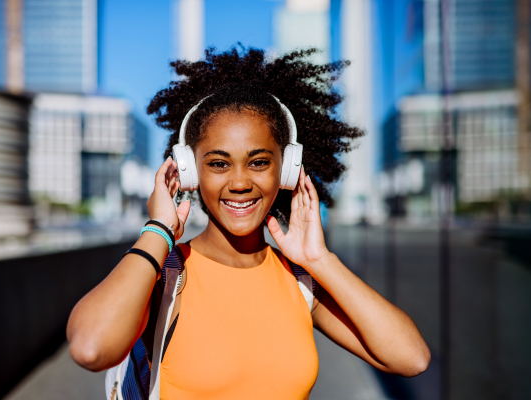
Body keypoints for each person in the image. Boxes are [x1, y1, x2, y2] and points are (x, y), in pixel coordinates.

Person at [67, 47, 430, 399]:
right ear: (190, 172)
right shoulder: (165, 275)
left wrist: (320, 261)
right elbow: (91, 348)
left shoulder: (300, 281)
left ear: (286, 171)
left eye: (258, 162)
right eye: (218, 163)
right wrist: (158, 230)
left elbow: (411, 358)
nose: (240, 183)